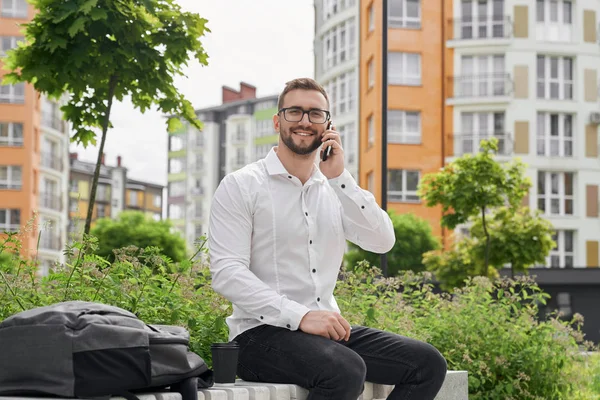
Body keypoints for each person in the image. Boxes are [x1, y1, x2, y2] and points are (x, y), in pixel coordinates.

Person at [208, 78, 447, 399]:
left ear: (328, 125)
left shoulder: (334, 189)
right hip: (259, 335)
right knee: (345, 369)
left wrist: (340, 178)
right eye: (295, 112)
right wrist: (301, 315)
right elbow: (227, 273)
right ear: (278, 121)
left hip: (326, 335)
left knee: (427, 364)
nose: (305, 121)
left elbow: (382, 241)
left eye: (315, 114)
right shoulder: (242, 185)